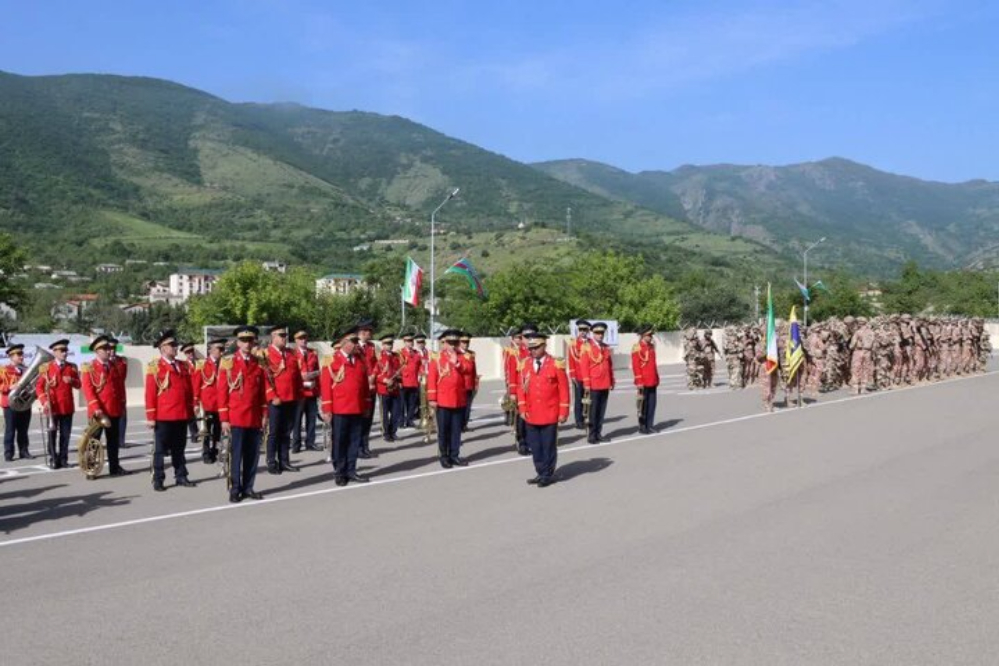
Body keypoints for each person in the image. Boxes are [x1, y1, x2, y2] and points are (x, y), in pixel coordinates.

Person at [219, 326, 268, 503]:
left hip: (254, 417)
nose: (247, 344)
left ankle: (248, 487)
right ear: (238, 343)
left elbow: (262, 392)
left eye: (250, 341)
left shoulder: (259, 362)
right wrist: (224, 419)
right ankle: (235, 489)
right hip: (236, 417)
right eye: (244, 341)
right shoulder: (228, 362)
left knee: (252, 456)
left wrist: (264, 415)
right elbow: (222, 392)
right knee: (236, 455)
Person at [515, 332, 569, 487]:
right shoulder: (525, 364)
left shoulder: (555, 363)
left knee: (548, 445)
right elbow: (521, 388)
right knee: (535, 446)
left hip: (550, 412)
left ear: (544, 346)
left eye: (536, 347)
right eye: (530, 348)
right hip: (531, 412)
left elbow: (564, 390)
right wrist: (522, 408)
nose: (533, 351)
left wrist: (563, 411)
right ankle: (540, 471)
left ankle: (547, 474)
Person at [145, 330, 196, 491]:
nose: (175, 347)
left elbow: (188, 390)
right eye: (172, 345)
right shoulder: (155, 367)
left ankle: (181, 475)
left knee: (179, 448)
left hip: (181, 414)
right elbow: (150, 393)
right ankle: (158, 479)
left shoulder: (183, 365)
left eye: (176, 344)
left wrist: (190, 412)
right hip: (164, 415)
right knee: (160, 450)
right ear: (162, 348)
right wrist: (151, 417)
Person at [320, 327, 372, 486]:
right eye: (353, 341)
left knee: (354, 441)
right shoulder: (331, 360)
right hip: (340, 409)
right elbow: (326, 387)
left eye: (357, 341)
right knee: (340, 442)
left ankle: (351, 470)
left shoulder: (359, 360)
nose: (356, 344)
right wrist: (327, 409)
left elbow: (363, 386)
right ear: (343, 343)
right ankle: (340, 472)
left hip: (356, 408)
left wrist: (366, 405)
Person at [82, 335, 129, 475]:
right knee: (94, 441)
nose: (109, 351)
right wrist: (96, 408)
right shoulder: (89, 367)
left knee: (113, 441)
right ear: (97, 351)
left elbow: (119, 386)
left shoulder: (114, 366)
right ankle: (90, 468)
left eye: (109, 348)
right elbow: (88, 389)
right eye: (105, 349)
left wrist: (121, 404)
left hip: (113, 409)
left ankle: (114, 467)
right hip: (98, 412)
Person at [35, 339, 80, 469]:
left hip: (66, 406)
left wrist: (71, 380)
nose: (65, 353)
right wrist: (44, 401)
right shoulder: (46, 367)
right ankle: (53, 458)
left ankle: (64, 459)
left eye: (66, 350)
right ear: (54, 352)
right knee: (52, 435)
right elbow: (39, 388)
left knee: (65, 435)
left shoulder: (71, 367)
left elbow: (79, 385)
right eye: (62, 351)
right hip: (53, 406)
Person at [263, 325, 302, 474]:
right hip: (276, 400)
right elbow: (265, 379)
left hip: (291, 398)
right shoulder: (266, 354)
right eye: (281, 335)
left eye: (285, 335)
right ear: (273, 337)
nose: (284, 338)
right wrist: (272, 396)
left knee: (286, 432)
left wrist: (299, 395)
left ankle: (285, 461)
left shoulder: (291, 353)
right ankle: (271, 462)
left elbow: (296, 376)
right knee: (273, 432)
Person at [427, 329, 468, 468]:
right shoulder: (436, 358)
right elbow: (432, 379)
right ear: (444, 343)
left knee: (456, 430)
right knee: (444, 430)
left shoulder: (463, 357)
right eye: (450, 342)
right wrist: (432, 398)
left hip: (458, 399)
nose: (452, 345)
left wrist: (456, 362)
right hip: (443, 400)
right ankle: (444, 456)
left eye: (455, 342)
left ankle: (454, 455)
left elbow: (468, 370)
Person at [579, 322, 614, 443]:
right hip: (594, 383)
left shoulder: (605, 347)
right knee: (592, 411)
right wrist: (586, 384)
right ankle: (592, 435)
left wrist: (612, 380)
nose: (600, 335)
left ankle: (599, 432)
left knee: (601, 410)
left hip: (604, 382)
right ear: (593, 333)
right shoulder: (587, 346)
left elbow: (609, 366)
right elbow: (584, 366)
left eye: (602, 333)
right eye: (597, 333)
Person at [194, 338, 225, 464]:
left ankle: (215, 450)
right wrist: (195, 402)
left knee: (218, 431)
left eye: (223, 349)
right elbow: (196, 385)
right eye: (219, 349)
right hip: (207, 403)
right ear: (211, 350)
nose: (221, 352)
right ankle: (206, 452)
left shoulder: (225, 364)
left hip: (221, 404)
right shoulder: (202, 365)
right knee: (206, 431)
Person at [1, 344, 33, 461]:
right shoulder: (4, 370)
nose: (21, 357)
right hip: (10, 404)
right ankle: (8, 453)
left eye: (21, 354)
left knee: (23, 429)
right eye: (18, 354)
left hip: (24, 403)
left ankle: (24, 451)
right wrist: (10, 387)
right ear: (11, 356)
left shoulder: (26, 370)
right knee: (10, 429)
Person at [292, 329, 321, 452]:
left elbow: (318, 371)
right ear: (296, 341)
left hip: (312, 390)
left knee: (312, 418)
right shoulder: (293, 354)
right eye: (300, 338)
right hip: (299, 392)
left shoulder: (313, 353)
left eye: (304, 338)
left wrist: (319, 389)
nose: (303, 340)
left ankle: (310, 442)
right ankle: (296, 444)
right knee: (297, 420)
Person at [355, 319, 378, 458]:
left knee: (368, 418)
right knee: (359, 419)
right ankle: (357, 447)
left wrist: (373, 376)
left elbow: (375, 363)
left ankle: (365, 445)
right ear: (362, 332)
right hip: (361, 387)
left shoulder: (371, 346)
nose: (370, 334)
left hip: (371, 386)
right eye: (368, 331)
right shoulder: (355, 346)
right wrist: (365, 379)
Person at [631, 325, 659, 434]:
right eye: (649, 335)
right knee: (643, 404)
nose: (651, 337)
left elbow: (653, 364)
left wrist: (656, 377)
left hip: (652, 379)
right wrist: (639, 381)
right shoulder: (637, 347)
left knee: (652, 404)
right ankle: (642, 426)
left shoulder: (651, 347)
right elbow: (636, 365)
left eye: (651, 335)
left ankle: (650, 425)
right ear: (643, 335)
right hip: (643, 381)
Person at [375, 333, 402, 442]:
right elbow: (375, 372)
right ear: (383, 344)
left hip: (395, 388)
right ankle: (386, 433)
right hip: (384, 389)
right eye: (387, 344)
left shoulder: (396, 356)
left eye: (391, 343)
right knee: (384, 413)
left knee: (396, 412)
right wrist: (385, 380)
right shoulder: (379, 357)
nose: (389, 346)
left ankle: (393, 431)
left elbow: (399, 370)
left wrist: (399, 378)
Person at [568, 319, 591, 429]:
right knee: (579, 399)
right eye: (581, 329)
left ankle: (588, 417)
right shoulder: (574, 343)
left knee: (589, 399)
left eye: (585, 330)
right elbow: (571, 360)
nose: (583, 332)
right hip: (578, 375)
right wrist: (572, 375)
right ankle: (579, 420)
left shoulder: (591, 343)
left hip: (590, 376)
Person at [107, 337, 129, 452]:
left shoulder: (122, 361)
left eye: (114, 348)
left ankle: (121, 441)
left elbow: (123, 377)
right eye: (109, 348)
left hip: (120, 393)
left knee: (122, 418)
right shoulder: (105, 362)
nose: (112, 350)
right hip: (109, 396)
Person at [180, 342, 201, 443]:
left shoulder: (200, 363)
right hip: (190, 392)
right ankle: (194, 434)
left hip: (201, 391)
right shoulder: (184, 365)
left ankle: (200, 432)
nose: (190, 354)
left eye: (191, 351)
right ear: (185, 354)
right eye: (188, 352)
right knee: (190, 415)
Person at [457, 332, 478, 432]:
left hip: (469, 384)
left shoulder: (471, 354)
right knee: (460, 407)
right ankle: (459, 426)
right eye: (463, 342)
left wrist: (475, 383)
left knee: (468, 407)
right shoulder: (456, 354)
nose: (466, 344)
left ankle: (464, 424)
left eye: (467, 342)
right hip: (460, 385)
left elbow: (474, 370)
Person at [399, 333, 421, 427]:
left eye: (411, 341)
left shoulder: (416, 353)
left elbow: (419, 365)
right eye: (408, 341)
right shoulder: (400, 353)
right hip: (404, 381)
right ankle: (401, 421)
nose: (410, 343)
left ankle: (409, 420)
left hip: (414, 381)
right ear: (404, 342)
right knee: (402, 403)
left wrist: (420, 374)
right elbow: (398, 367)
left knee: (412, 403)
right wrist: (399, 380)